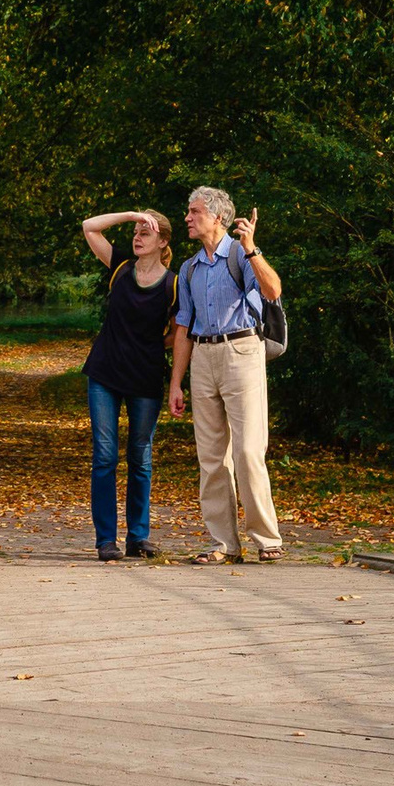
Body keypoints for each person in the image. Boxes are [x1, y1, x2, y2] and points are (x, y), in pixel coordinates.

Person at [166, 186, 284, 563]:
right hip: (202, 357)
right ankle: (224, 544)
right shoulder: (189, 268)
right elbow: (183, 327)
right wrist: (176, 383)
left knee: (248, 451)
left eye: (195, 211)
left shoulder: (240, 255)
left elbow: (272, 290)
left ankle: (267, 539)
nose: (187, 218)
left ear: (218, 217)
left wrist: (251, 248)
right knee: (212, 458)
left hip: (242, 351)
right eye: (188, 211)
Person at [76, 207, 177, 561]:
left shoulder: (173, 284)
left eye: (145, 232)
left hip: (145, 377)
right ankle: (106, 540)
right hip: (104, 373)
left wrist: (149, 344)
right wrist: (133, 215)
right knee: (105, 457)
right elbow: (89, 227)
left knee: (140, 457)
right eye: (136, 232)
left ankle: (138, 537)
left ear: (162, 241)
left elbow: (179, 332)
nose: (137, 237)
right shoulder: (120, 266)